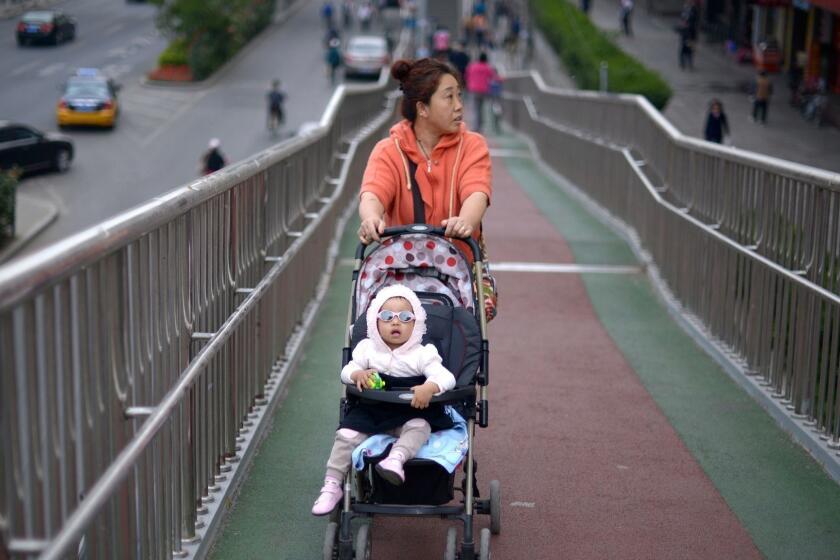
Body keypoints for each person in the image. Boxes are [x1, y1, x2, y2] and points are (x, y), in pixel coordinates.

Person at [311, 284, 458, 515]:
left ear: (416, 323)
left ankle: (395, 459)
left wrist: (429, 387)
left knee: (420, 427)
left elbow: (446, 377)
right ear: (375, 321)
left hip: (411, 411)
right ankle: (332, 484)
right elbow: (346, 371)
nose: (395, 322)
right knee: (346, 435)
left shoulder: (423, 353)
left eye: (405, 317)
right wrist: (358, 374)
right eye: (387, 316)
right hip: (372, 411)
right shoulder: (367, 349)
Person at [356, 58, 491, 260]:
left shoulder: (472, 146)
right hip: (401, 270)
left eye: (459, 96)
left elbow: (476, 193)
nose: (459, 106)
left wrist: (465, 221)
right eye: (449, 97)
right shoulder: (389, 150)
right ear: (422, 109)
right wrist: (371, 218)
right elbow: (373, 194)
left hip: (458, 272)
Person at [465, 52, 498, 133]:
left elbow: (466, 76)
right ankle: (480, 126)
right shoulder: (487, 68)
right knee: (482, 109)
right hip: (483, 90)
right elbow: (494, 77)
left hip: (473, 89)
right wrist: (501, 79)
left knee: (475, 108)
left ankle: (475, 126)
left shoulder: (472, 67)